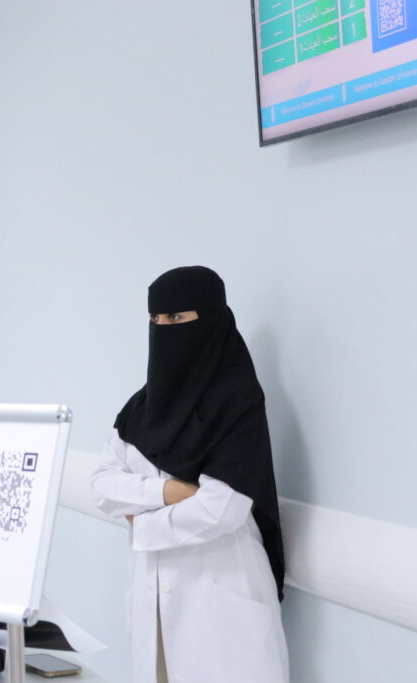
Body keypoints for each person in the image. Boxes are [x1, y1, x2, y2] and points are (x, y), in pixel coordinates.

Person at [91, 266, 288, 683]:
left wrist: (141, 522)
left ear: (211, 318)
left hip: (222, 599)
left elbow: (223, 509)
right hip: (154, 604)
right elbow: (102, 484)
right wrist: (169, 491)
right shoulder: (141, 407)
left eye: (177, 318)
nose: (164, 329)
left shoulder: (237, 401)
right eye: (156, 319)